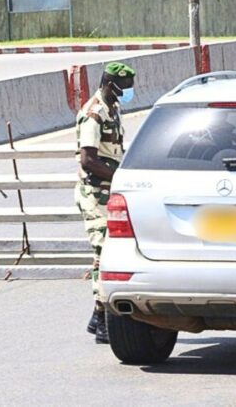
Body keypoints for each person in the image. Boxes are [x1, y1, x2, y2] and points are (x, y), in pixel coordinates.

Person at [75, 61, 135, 344]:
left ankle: (98, 316)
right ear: (109, 85)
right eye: (123, 87)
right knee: (103, 252)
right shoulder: (94, 114)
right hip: (94, 194)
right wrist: (118, 177)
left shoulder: (113, 108)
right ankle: (103, 320)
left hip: (108, 193)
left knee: (107, 252)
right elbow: (89, 160)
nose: (127, 92)